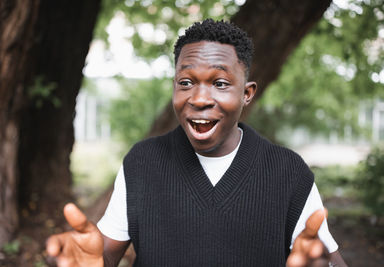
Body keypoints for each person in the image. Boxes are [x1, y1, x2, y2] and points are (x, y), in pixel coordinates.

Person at [47, 19, 348, 267]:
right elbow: (104, 255)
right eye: (186, 82)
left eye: (220, 83)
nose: (200, 99)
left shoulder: (287, 172)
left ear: (247, 93)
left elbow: (325, 258)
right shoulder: (143, 162)